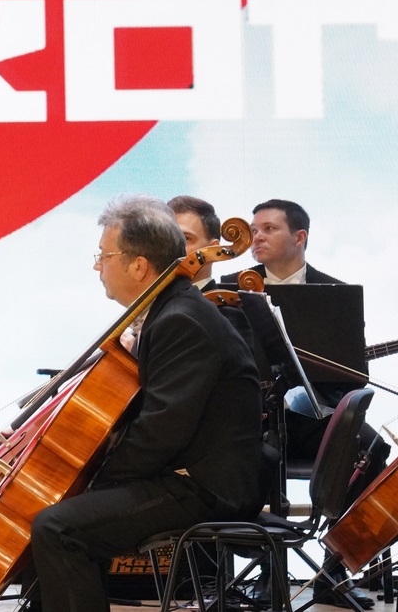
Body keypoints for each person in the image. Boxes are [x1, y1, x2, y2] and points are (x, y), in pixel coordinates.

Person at [27, 196, 263, 612]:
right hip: (185, 473)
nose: (97, 267)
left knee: (59, 527)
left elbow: (162, 431)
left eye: (104, 256)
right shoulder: (172, 310)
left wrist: (97, 479)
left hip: (205, 486)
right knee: (55, 514)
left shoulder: (180, 319)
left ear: (139, 266)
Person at [221, 199, 341, 286]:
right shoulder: (232, 285)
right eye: (254, 231)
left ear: (299, 238)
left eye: (269, 228)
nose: (257, 237)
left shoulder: (337, 290)